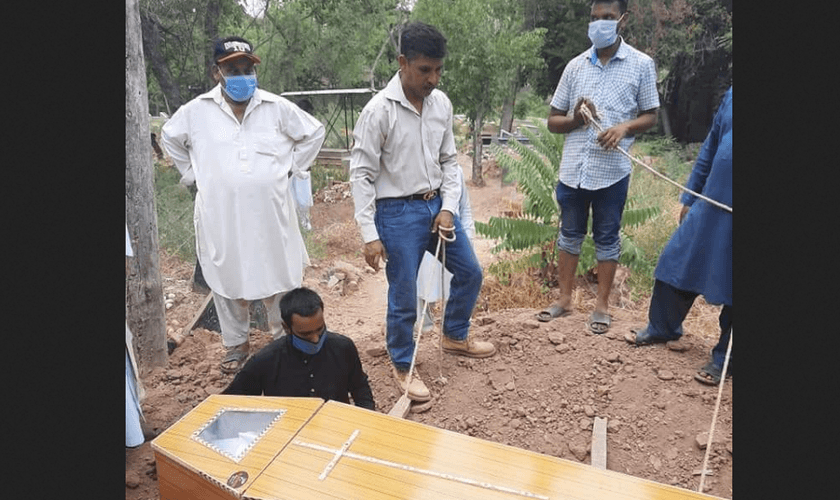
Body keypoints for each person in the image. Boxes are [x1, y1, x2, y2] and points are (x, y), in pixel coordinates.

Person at [349, 22, 495, 404]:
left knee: (470, 271)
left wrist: (447, 208)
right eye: (425, 70)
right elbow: (361, 175)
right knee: (403, 293)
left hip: (437, 208)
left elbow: (449, 160)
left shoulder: (441, 104)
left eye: (438, 70)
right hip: (396, 213)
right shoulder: (378, 112)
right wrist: (369, 233)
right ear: (402, 63)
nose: (433, 78)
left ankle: (454, 334)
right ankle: (401, 362)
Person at [161, 37, 326, 374]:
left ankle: (284, 339)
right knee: (226, 277)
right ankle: (235, 345)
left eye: (247, 68)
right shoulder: (196, 112)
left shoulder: (275, 108)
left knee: (279, 275)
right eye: (232, 69)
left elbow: (314, 132)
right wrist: (192, 174)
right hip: (220, 215)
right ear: (216, 73)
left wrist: (295, 167)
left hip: (271, 213)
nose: (242, 75)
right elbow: (169, 137)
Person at [537, 0, 660, 335]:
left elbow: (651, 115)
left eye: (607, 18)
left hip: (613, 171)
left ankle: (602, 306)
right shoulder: (575, 67)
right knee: (569, 235)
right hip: (574, 169)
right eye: (594, 18)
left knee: (607, 237)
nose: (599, 24)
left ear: (622, 20)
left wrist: (623, 128)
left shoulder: (640, 64)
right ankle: (564, 299)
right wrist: (577, 119)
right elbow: (553, 121)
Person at [624, 87, 732, 386]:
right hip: (710, 202)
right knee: (676, 261)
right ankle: (663, 327)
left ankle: (726, 359)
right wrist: (689, 195)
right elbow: (711, 147)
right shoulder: (734, 94)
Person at [222, 287, 375, 410]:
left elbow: (360, 388)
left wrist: (366, 422)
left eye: (320, 329)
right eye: (306, 334)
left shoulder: (343, 348)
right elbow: (233, 400)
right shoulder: (266, 360)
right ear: (287, 328)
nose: (315, 339)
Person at [416, 164, 475, 333]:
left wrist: (469, 239)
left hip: (452, 239)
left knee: (463, 278)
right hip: (424, 239)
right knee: (418, 285)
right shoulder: (417, 171)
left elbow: (465, 209)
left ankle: (456, 330)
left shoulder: (456, 171)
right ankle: (421, 329)